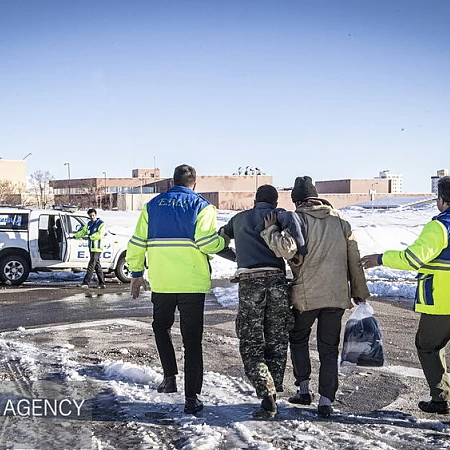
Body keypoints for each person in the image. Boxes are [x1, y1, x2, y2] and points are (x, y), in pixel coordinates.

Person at [360, 176, 450, 433]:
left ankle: (440, 398)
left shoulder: (441, 226)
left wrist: (380, 258)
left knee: (428, 345)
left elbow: (413, 258)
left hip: (446, 302)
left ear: (441, 199)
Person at [263, 176, 370, 418]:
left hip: (306, 295)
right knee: (329, 348)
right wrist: (359, 292)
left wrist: (270, 230)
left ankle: (303, 389)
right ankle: (325, 401)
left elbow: (286, 249)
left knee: (298, 338)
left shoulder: (297, 219)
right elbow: (354, 259)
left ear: (297, 201)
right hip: (336, 296)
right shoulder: (341, 220)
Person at [126, 164, 227, 414]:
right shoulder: (202, 206)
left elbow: (137, 242)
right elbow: (205, 241)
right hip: (192, 283)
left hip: (162, 281)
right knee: (192, 340)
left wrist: (137, 273)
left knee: (161, 328)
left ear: (172, 183)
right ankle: (192, 398)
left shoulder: (152, 206)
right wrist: (224, 240)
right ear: (194, 184)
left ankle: (169, 378)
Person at [218, 185, 304, 419]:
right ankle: (273, 393)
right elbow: (296, 244)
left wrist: (237, 257)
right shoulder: (281, 216)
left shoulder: (238, 219)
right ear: (275, 202)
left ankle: (266, 394)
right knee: (277, 340)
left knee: (251, 342)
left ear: (255, 200)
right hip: (277, 282)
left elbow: (219, 243)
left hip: (250, 283)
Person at [75, 208, 107, 288]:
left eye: (93, 215)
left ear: (96, 215)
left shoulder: (101, 224)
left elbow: (100, 234)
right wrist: (76, 236)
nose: (92, 217)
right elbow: (83, 232)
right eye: (90, 216)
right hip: (91, 248)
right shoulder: (89, 224)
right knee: (97, 266)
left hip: (97, 248)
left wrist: (90, 237)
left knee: (91, 265)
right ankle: (102, 283)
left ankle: (86, 282)